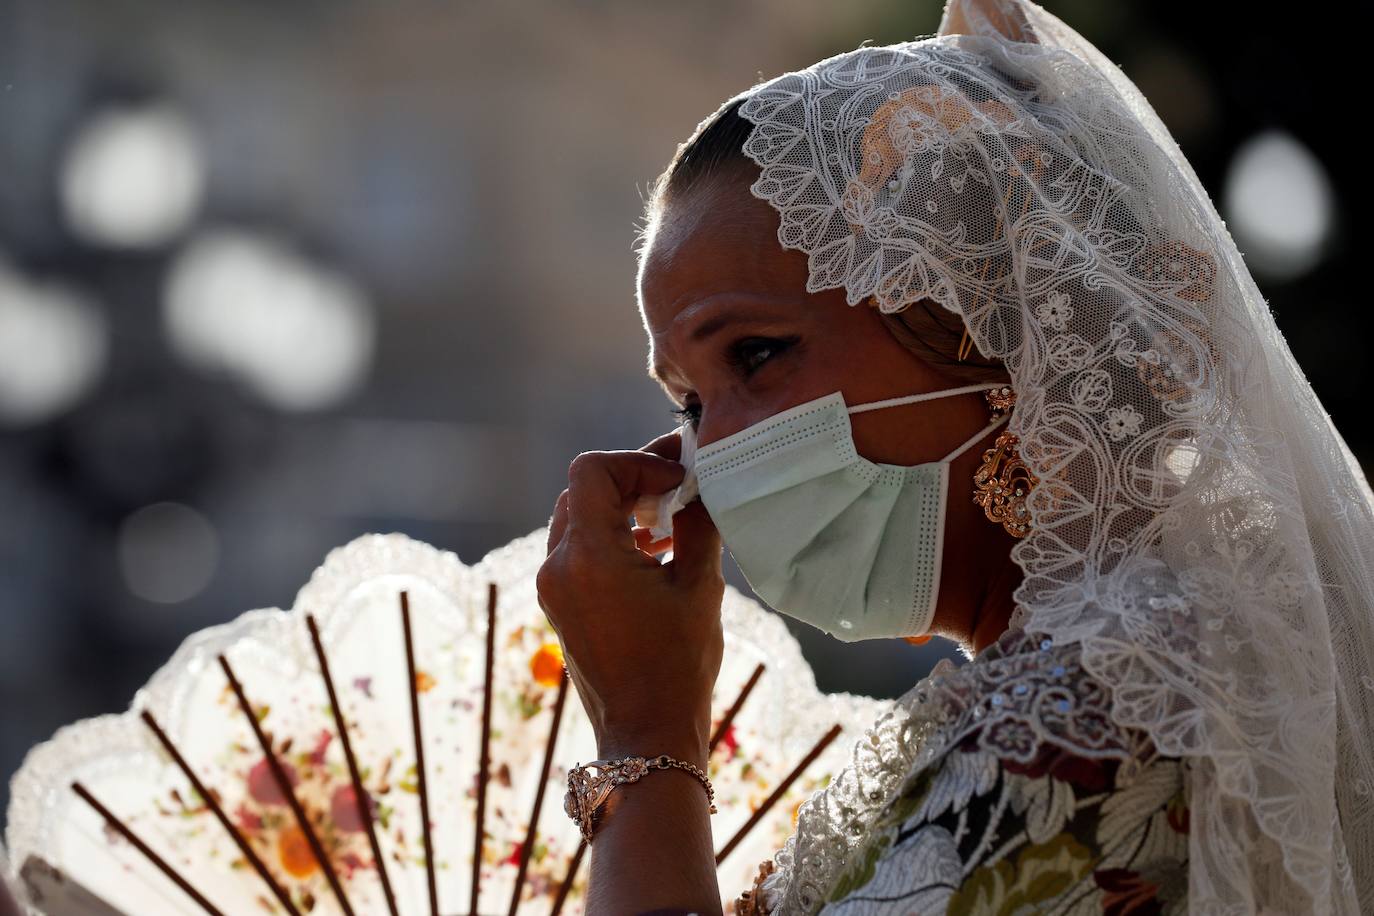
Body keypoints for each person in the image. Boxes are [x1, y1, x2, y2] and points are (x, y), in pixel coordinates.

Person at [535, 0, 1373, 913]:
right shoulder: (1077, 686)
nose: (712, 451)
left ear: (987, 322)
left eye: (756, 354)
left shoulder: (1115, 708)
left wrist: (644, 735)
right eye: (689, 403)